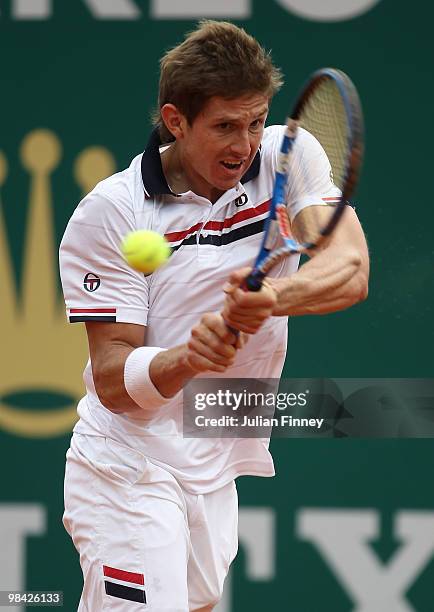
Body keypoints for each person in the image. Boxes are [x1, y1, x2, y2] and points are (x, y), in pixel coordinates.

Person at [59, 20, 369, 612]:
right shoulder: (112, 213)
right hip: (127, 463)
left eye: (255, 122)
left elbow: (350, 269)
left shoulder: (288, 155)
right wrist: (188, 357)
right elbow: (111, 381)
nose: (245, 144)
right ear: (175, 121)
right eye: (225, 126)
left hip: (215, 450)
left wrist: (277, 298)